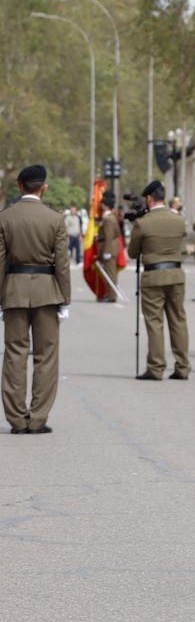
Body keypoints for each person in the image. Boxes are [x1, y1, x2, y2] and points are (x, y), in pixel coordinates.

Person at [0, 165, 70, 434]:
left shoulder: (5, 217)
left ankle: (17, 420)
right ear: (44, 187)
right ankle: (38, 418)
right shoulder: (55, 218)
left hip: (14, 290)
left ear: (19, 186)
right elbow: (62, 264)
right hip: (47, 292)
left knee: (15, 355)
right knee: (46, 356)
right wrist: (65, 299)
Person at [128, 180, 190, 381]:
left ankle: (155, 367)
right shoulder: (178, 220)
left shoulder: (143, 223)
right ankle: (182, 366)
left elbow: (132, 253)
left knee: (155, 323)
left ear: (148, 199)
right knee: (178, 321)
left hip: (153, 275)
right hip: (176, 274)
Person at [96, 193, 121, 302]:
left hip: (109, 249)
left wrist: (107, 251)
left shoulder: (108, 219)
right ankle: (110, 294)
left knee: (110, 273)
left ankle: (112, 296)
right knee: (109, 273)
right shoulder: (110, 217)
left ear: (105, 206)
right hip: (110, 248)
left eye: (102, 204)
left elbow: (109, 236)